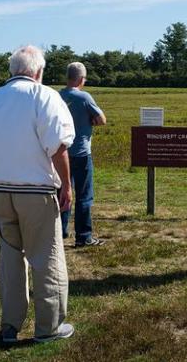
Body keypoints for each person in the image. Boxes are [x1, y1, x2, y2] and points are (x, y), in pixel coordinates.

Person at [0, 45, 76, 343]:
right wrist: (66, 185)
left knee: (10, 259)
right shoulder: (45, 96)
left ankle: (10, 326)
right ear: (38, 72)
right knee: (47, 257)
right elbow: (58, 146)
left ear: (12, 71)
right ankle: (48, 328)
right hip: (36, 193)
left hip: (1, 192)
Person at [59, 62, 106, 247]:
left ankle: (60, 231)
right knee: (84, 196)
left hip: (60, 153)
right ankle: (84, 236)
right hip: (81, 153)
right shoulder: (84, 97)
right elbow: (102, 119)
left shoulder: (57, 95)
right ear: (81, 79)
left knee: (62, 192)